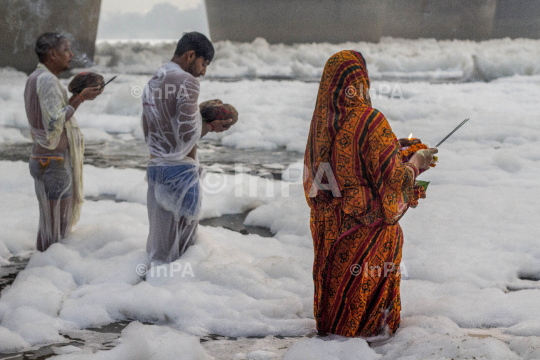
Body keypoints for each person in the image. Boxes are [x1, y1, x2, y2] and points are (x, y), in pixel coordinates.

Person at [303, 50, 437, 337]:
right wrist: (416, 163)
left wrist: (393, 146)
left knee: (338, 320)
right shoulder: (370, 120)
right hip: (369, 235)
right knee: (371, 329)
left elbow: (341, 169)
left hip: (332, 233)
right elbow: (394, 179)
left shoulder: (321, 126)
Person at [142, 32, 232, 263]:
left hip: (156, 169)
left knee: (160, 250)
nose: (203, 71)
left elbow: (152, 130)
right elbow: (186, 134)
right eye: (204, 63)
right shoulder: (187, 82)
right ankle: (172, 294)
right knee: (182, 250)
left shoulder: (154, 80)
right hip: (180, 174)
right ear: (191, 55)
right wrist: (211, 126)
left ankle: (148, 292)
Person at [25, 33, 103, 252]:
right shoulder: (48, 80)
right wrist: (80, 98)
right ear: (53, 54)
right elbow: (54, 122)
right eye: (67, 50)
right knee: (57, 231)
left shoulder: (36, 77)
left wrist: (78, 98)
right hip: (52, 163)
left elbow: (51, 116)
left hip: (43, 160)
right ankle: (44, 275)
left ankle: (43, 273)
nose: (72, 55)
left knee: (50, 228)